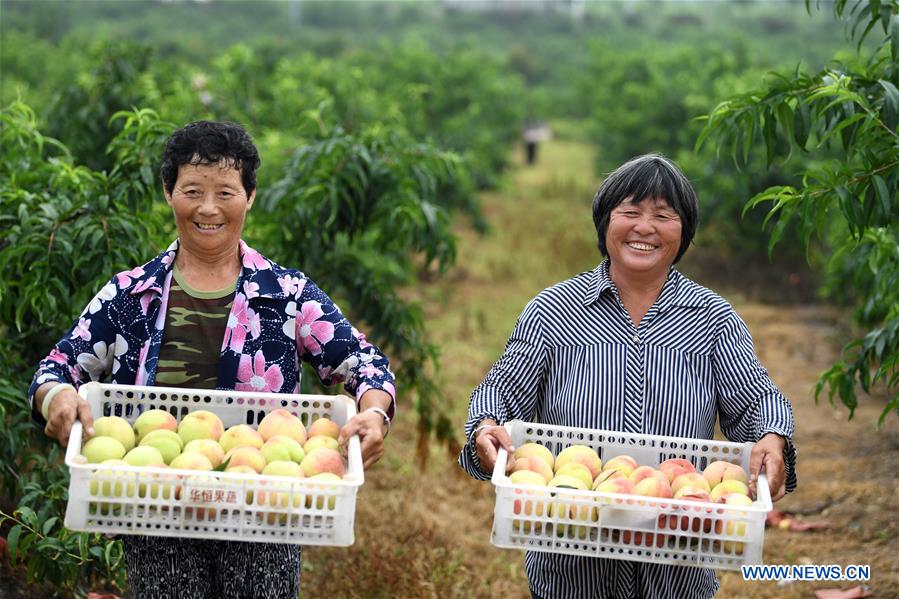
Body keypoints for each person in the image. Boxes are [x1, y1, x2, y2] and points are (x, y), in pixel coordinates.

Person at [29, 120, 396, 599]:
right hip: (156, 510)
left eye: (225, 192)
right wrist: (56, 397)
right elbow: (57, 367)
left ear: (250, 197)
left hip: (265, 513)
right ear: (168, 193)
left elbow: (364, 363)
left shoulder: (286, 296)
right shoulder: (128, 296)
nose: (207, 208)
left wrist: (372, 411)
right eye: (192, 190)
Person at [459, 154, 796, 599]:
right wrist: (486, 427)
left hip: (679, 561)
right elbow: (503, 389)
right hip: (571, 564)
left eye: (663, 215)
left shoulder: (713, 318)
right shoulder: (555, 311)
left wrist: (772, 437)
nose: (645, 228)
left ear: (684, 232)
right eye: (630, 212)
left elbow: (754, 399)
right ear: (605, 223)